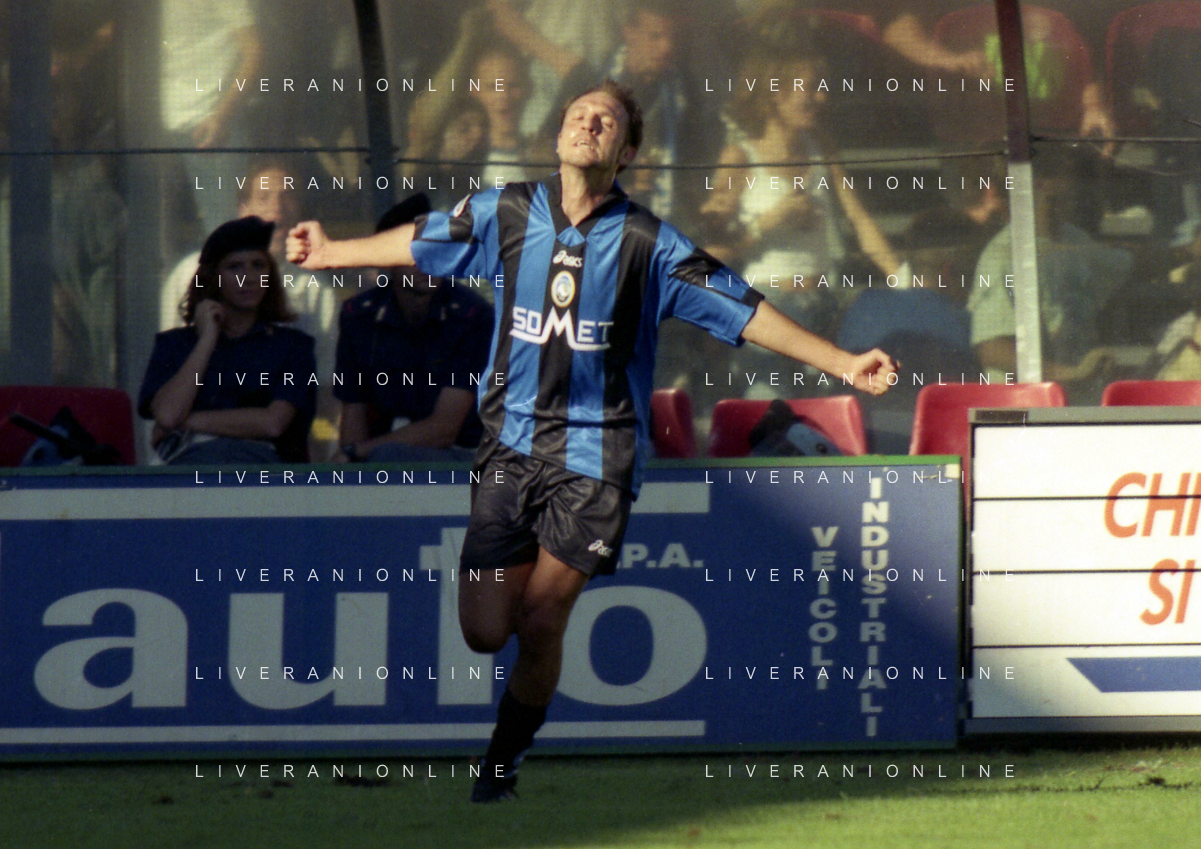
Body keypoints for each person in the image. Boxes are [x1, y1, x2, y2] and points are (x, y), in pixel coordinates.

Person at [287, 80, 896, 802]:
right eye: (578, 113)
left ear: (625, 153)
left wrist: (841, 362)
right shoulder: (505, 211)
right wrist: (332, 252)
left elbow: (743, 307)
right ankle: (511, 721)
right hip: (509, 446)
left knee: (542, 615)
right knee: (485, 630)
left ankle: (502, 762)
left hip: (598, 456)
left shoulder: (648, 242)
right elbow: (421, 240)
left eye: (605, 120)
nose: (589, 122)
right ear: (558, 136)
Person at [140, 216, 316, 465]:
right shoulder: (175, 345)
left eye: (258, 265)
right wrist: (206, 341)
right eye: (235, 267)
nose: (249, 277)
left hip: (262, 469)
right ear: (213, 277)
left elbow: (273, 423)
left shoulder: (293, 346)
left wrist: (187, 421)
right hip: (189, 467)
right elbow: (168, 415)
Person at [332, 194, 494, 463]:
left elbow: (444, 429)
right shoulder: (359, 316)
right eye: (413, 251)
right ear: (385, 259)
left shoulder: (472, 317)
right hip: (382, 458)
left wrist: (360, 452)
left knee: (387, 455)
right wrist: (351, 460)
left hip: (463, 461)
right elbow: (352, 416)